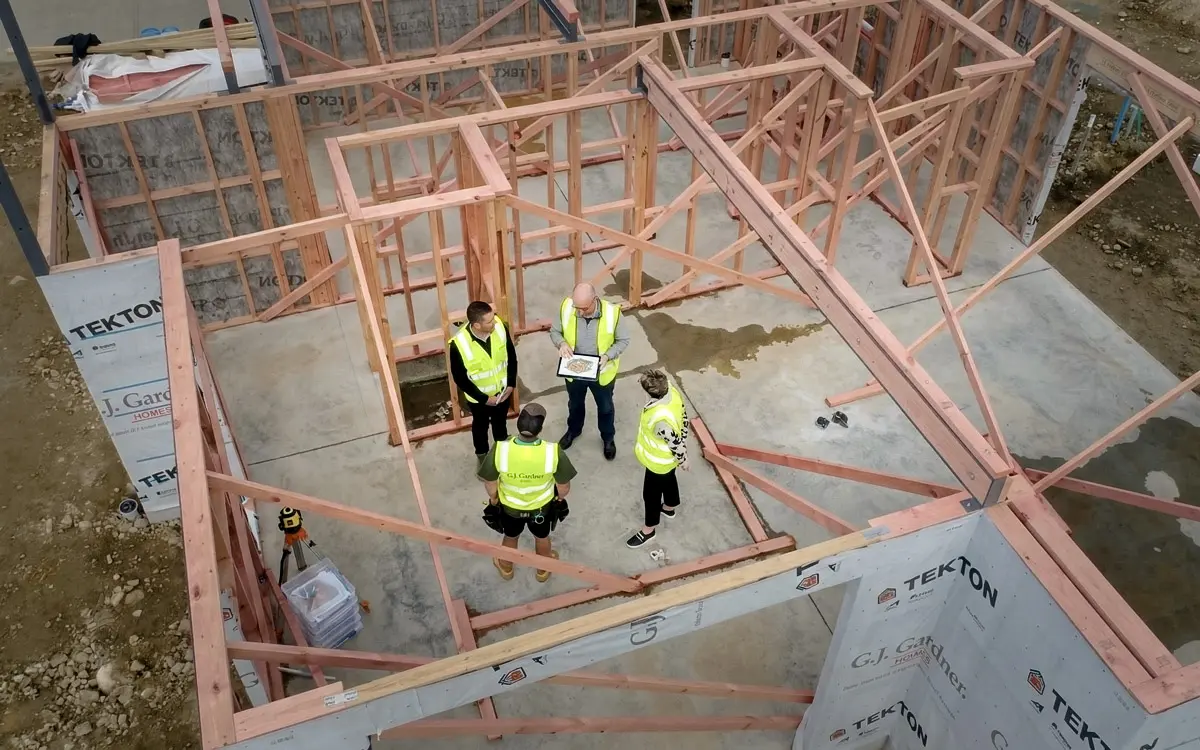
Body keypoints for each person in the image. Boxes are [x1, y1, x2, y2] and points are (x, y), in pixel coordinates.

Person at [478, 403, 576, 582]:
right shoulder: (552, 451)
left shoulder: (500, 449)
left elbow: (490, 482)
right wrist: (559, 499)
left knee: (511, 536)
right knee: (542, 537)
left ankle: (506, 567)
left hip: (510, 508)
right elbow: (564, 486)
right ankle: (543, 570)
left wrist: (494, 499)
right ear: (540, 429)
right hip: (541, 509)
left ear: (518, 425)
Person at [549, 282, 630, 460]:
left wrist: (608, 356)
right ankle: (573, 430)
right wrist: (561, 343)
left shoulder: (613, 313)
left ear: (595, 300)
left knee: (606, 408)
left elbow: (623, 340)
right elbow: (555, 331)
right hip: (574, 370)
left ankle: (608, 438)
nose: (579, 312)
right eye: (576, 307)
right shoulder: (566, 307)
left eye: (584, 308)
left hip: (602, 373)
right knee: (575, 404)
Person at [626, 370, 689, 549]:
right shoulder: (672, 392)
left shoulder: (660, 420)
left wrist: (683, 458)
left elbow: (674, 442)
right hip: (668, 462)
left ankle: (649, 530)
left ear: (649, 393)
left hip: (658, 463)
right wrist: (682, 448)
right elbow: (684, 418)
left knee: (651, 496)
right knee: (669, 480)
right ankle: (669, 507)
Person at [449, 301, 518, 462]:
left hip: (502, 393)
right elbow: (460, 378)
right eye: (489, 321)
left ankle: (502, 450)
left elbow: (511, 356)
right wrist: (485, 399)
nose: (494, 322)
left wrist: (510, 384)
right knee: (480, 426)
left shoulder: (500, 327)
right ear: (477, 325)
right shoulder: (459, 344)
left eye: (493, 318)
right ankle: (482, 455)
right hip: (479, 400)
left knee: (500, 423)